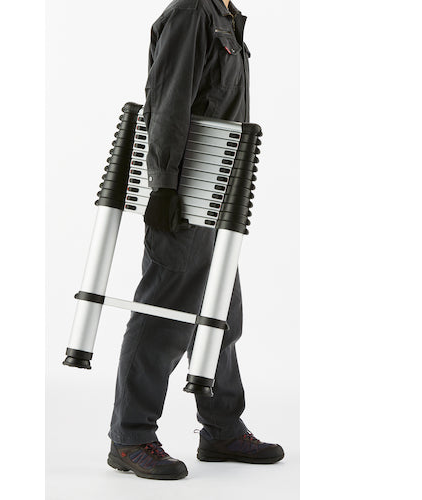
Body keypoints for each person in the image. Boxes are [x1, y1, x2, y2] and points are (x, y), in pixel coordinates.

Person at [107, 0, 284, 480]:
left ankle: (221, 429)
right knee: (164, 314)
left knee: (221, 315)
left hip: (218, 193)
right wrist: (164, 185)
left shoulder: (227, 16)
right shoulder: (192, 13)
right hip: (185, 193)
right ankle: (130, 437)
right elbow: (167, 98)